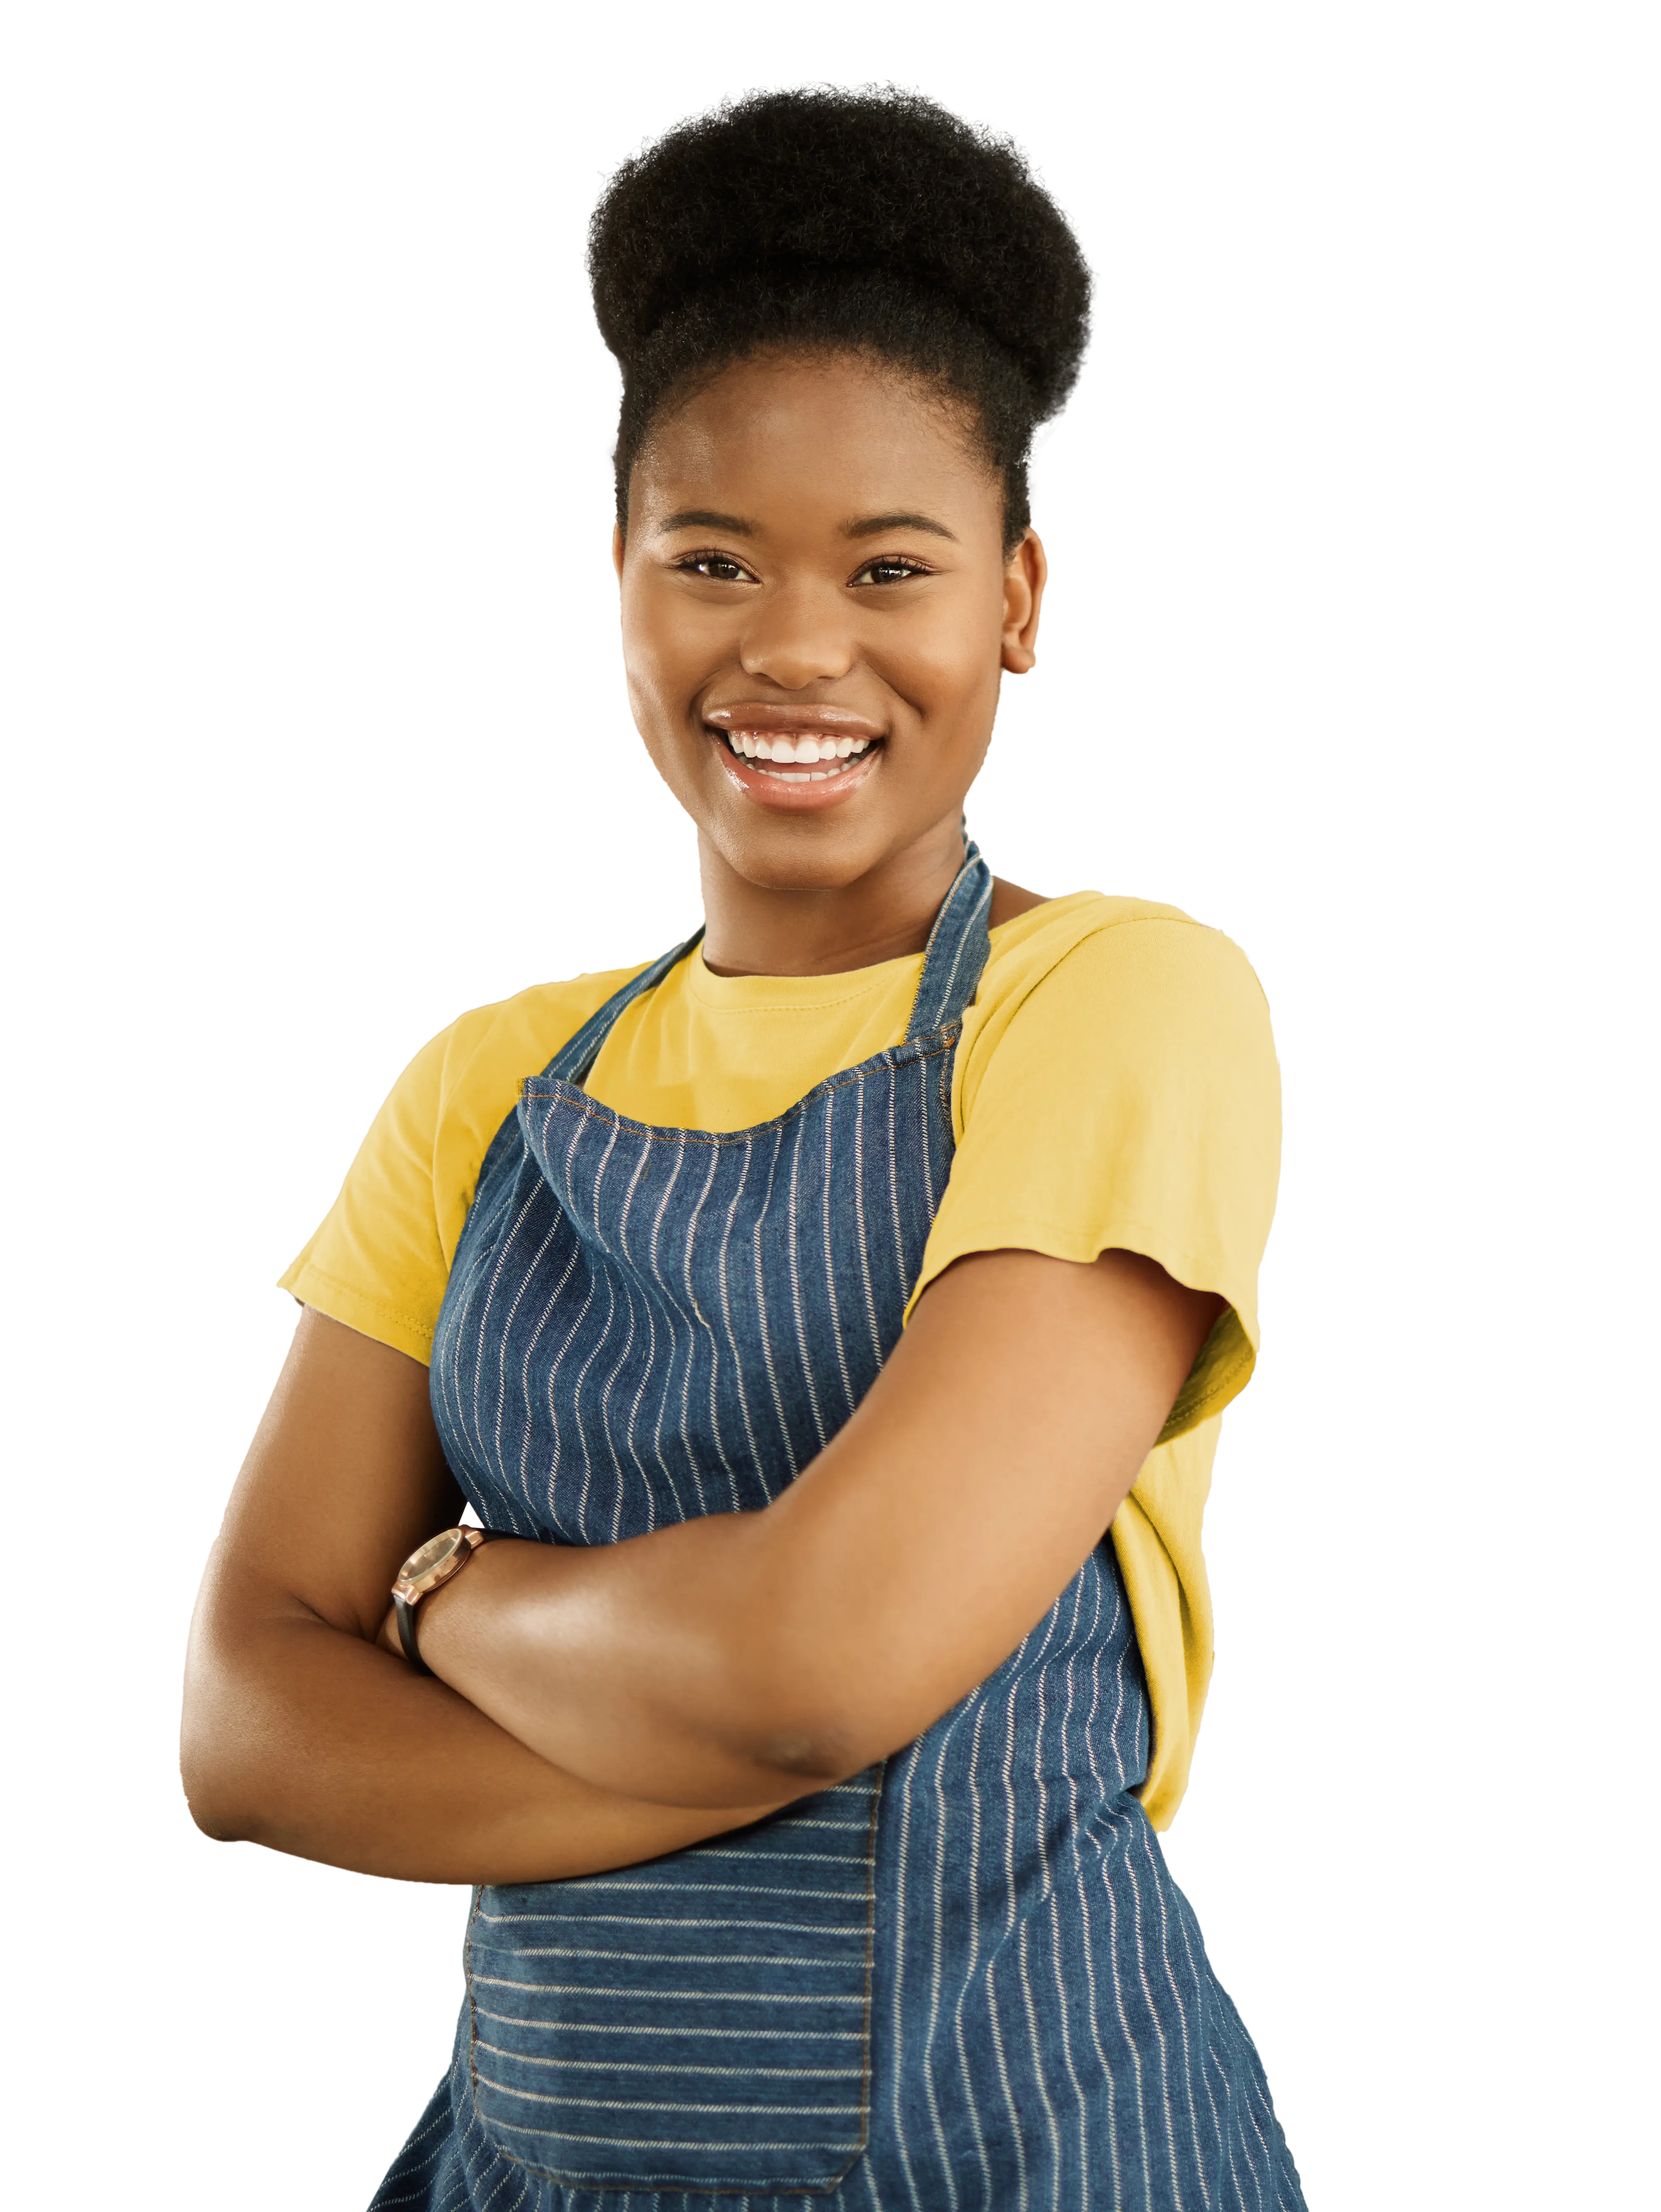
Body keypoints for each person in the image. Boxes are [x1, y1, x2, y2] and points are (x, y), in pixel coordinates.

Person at [179, 105, 1305, 2212]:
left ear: (1019, 594)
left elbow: (817, 1664)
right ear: (613, 578)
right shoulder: (486, 1085)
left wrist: (445, 1600)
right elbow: (245, 1731)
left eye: (893, 567)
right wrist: (753, 1729)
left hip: (1039, 2163)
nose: (798, 648)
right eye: (713, 559)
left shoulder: (1117, 1004)